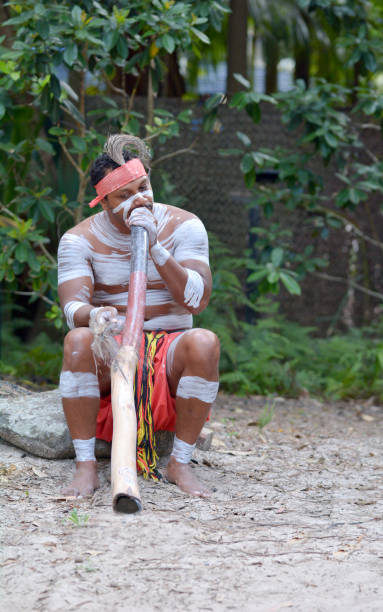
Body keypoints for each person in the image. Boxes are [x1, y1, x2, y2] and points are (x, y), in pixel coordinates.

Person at [57, 134, 220, 499]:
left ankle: (180, 462)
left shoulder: (184, 225)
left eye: (143, 186)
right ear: (104, 203)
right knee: (77, 340)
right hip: (112, 349)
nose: (140, 199)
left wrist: (157, 248)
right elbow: (72, 310)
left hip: (170, 352)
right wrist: (96, 316)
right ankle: (86, 467)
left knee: (205, 342)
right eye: (124, 195)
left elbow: (198, 300)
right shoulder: (78, 239)